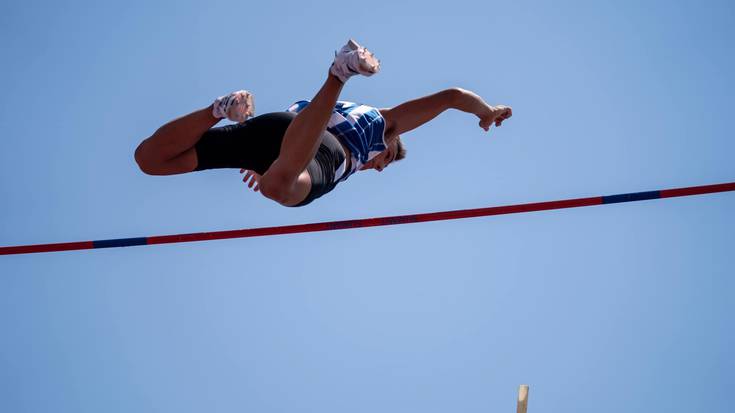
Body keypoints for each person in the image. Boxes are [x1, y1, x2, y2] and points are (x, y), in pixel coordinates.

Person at [134, 39, 513, 207]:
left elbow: (452, 95)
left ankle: (218, 109)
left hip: (280, 129)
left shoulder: (328, 114)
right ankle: (339, 72)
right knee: (279, 189)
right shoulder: (382, 128)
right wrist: (485, 111)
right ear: (384, 155)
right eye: (386, 159)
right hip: (323, 150)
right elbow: (449, 98)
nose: (379, 164)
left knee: (151, 160)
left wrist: (484, 110)